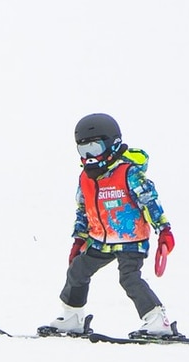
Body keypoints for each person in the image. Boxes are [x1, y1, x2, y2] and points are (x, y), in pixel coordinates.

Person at [41, 112, 178, 338]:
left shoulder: (128, 173)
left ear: (112, 145)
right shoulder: (85, 178)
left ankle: (157, 321)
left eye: (94, 149)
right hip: (99, 240)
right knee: (78, 270)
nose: (89, 157)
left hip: (129, 239)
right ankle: (73, 317)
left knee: (129, 278)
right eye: (83, 151)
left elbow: (150, 202)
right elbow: (83, 210)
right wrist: (79, 239)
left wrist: (164, 231)